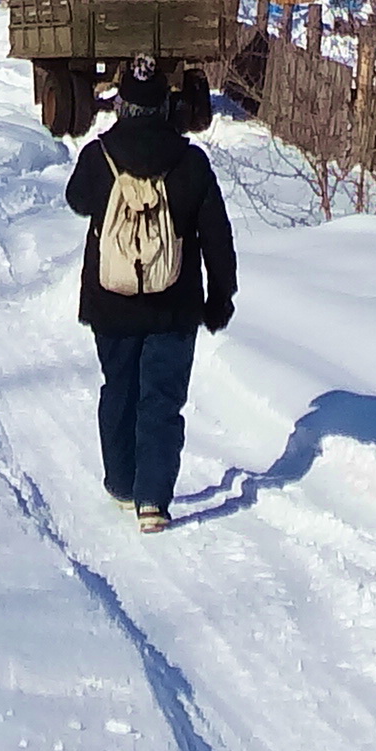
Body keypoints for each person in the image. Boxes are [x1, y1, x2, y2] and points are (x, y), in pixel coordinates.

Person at [66, 59, 235, 528]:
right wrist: (221, 297)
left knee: (119, 388)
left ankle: (122, 482)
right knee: (161, 398)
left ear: (123, 103)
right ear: (166, 104)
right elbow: (217, 235)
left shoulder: (99, 156)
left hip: (111, 300)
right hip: (175, 304)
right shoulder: (191, 161)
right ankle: (153, 501)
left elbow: (77, 200)